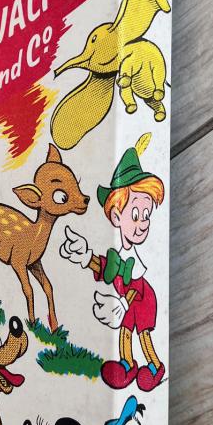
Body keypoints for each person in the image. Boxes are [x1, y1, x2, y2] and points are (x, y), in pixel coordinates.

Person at [60, 134, 165, 390]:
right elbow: (107, 267)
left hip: (142, 297)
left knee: (143, 334)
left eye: (146, 215)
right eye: (136, 215)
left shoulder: (134, 257)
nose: (143, 223)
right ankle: (127, 365)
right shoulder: (118, 252)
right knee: (125, 333)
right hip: (127, 296)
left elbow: (134, 283)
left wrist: (123, 302)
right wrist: (85, 256)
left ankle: (154, 365)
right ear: (117, 216)